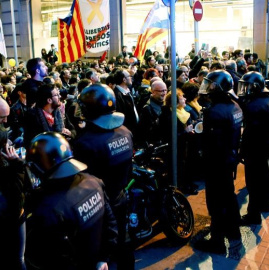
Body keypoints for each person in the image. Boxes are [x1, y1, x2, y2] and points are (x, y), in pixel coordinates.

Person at [25, 132, 118, 270]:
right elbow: (110, 225)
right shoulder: (93, 182)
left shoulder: (48, 210)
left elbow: (56, 258)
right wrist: (102, 259)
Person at [73, 84, 134, 270]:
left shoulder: (85, 142)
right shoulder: (125, 131)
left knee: (100, 255)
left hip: (99, 207)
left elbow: (82, 182)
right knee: (123, 243)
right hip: (121, 196)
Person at [194, 70, 243, 253]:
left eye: (211, 84)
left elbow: (210, 143)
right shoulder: (235, 106)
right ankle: (233, 232)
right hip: (229, 159)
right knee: (228, 197)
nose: (208, 87)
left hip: (216, 163)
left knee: (216, 202)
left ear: (219, 87)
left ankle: (217, 241)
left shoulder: (213, 112)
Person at [237, 71, 269, 224]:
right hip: (265, 147)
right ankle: (264, 204)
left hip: (255, 149)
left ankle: (253, 214)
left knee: (254, 182)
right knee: (264, 177)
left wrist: (242, 151)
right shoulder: (266, 100)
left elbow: (250, 133)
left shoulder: (254, 106)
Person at [0, 97, 27, 270]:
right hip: (10, 213)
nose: (5, 122)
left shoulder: (4, 142)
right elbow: (17, 189)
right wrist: (16, 165)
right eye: (1, 119)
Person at [159, 89, 198, 195]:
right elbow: (169, 135)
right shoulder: (168, 115)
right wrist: (185, 132)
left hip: (185, 145)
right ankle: (182, 186)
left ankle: (188, 183)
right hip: (176, 148)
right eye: (182, 98)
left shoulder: (184, 112)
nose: (185, 99)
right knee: (179, 167)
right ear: (175, 101)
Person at [23, 83, 72, 149]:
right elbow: (30, 142)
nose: (60, 96)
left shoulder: (59, 112)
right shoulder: (32, 116)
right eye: (57, 95)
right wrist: (58, 138)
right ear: (49, 100)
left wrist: (70, 133)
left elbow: (72, 129)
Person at [135, 80, 167, 146]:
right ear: (153, 92)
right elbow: (144, 132)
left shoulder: (167, 104)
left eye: (165, 90)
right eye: (161, 91)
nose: (164, 93)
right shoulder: (147, 108)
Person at [114, 68, 139, 133]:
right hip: (126, 131)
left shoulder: (127, 91)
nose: (131, 78)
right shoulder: (117, 95)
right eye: (129, 76)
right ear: (124, 79)